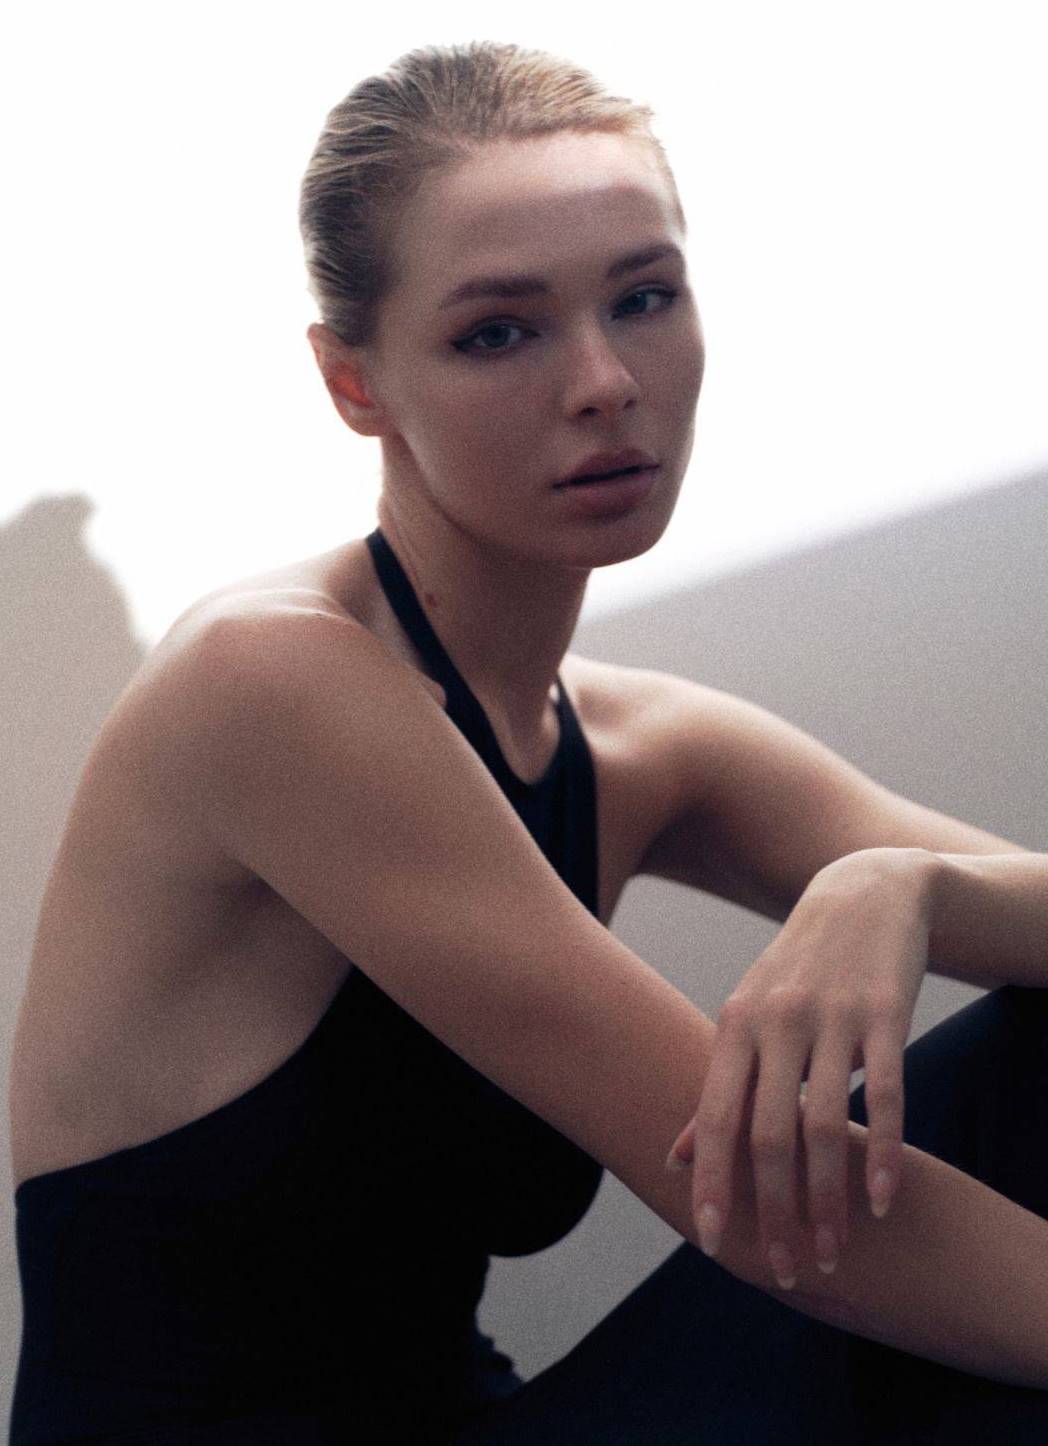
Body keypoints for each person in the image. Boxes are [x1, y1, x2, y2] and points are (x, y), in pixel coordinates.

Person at [8, 38, 1048, 1446]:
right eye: (499, 331)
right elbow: (775, 1217)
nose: (606, 381)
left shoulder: (633, 741)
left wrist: (905, 887)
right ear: (354, 383)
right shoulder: (267, 684)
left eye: (644, 298)